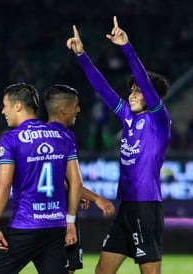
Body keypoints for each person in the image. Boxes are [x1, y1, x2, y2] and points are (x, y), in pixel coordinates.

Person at [67, 16, 171, 274]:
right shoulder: (127, 116)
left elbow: (146, 82)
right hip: (126, 206)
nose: (133, 94)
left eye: (138, 91)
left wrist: (126, 47)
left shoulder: (158, 119)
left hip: (146, 206)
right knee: (102, 271)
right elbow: (103, 89)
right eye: (131, 90)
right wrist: (82, 56)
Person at [0, 82, 83, 274]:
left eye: (5, 105)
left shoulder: (11, 139)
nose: (3, 111)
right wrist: (70, 222)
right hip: (56, 228)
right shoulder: (64, 136)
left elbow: (4, 185)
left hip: (25, 226)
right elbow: (76, 183)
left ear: (18, 106)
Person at [44, 84, 116, 273]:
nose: (79, 109)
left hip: (38, 217)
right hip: (60, 218)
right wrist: (97, 198)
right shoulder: (63, 136)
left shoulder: (39, 136)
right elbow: (70, 182)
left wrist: (75, 194)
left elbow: (61, 183)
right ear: (63, 109)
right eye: (76, 105)